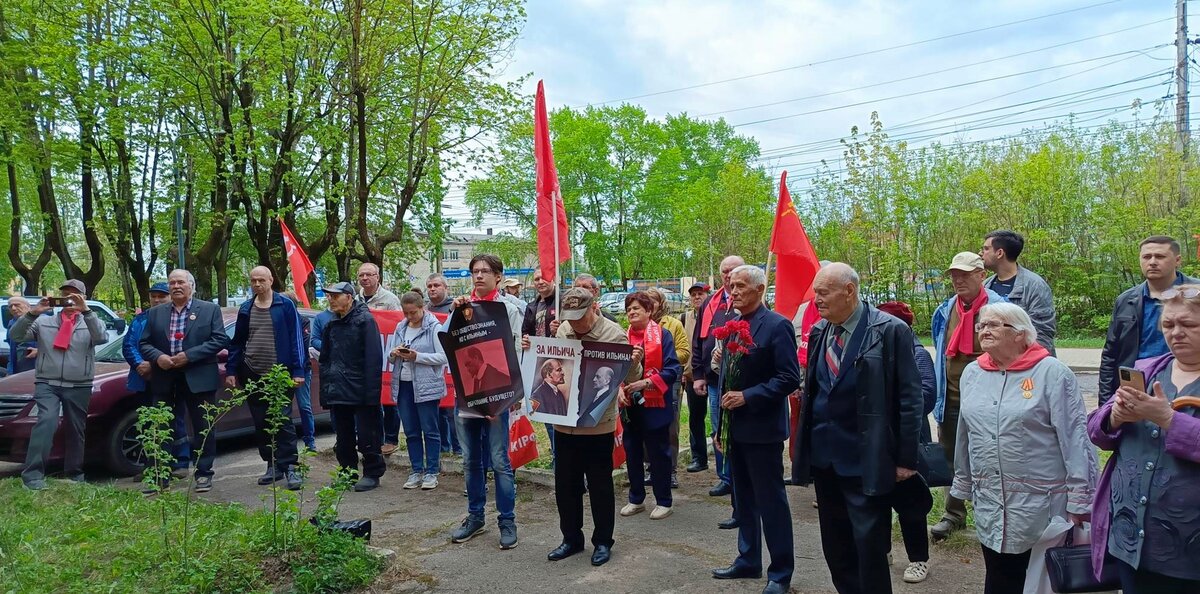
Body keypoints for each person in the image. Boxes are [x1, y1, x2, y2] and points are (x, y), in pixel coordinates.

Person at [793, 263, 923, 594]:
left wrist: (906, 458)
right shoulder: (822, 330)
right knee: (836, 548)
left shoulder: (889, 330)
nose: (816, 300)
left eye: (823, 292)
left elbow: (910, 397)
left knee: (869, 547)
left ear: (849, 291)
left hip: (867, 458)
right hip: (826, 460)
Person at [951, 302, 1096, 594]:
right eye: (982, 325)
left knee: (1041, 581)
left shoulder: (1053, 374)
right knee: (999, 578)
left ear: (1020, 334)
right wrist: (963, 483)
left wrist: (1081, 499)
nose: (984, 331)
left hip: (1042, 508)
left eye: (994, 325)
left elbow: (1076, 438)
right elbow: (964, 433)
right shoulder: (972, 374)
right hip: (991, 501)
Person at [1089, 284, 1200, 594]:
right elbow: (1096, 430)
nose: (1176, 332)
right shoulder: (1147, 370)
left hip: (1190, 553)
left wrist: (1167, 419)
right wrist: (1116, 417)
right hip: (1132, 541)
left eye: (1188, 324)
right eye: (1168, 324)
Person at [709, 265, 800, 594]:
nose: (733, 292)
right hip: (735, 430)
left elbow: (789, 377)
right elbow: (724, 379)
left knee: (770, 501)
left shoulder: (777, 326)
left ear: (760, 290)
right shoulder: (731, 326)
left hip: (762, 430)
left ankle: (780, 572)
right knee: (743, 499)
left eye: (741, 287)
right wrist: (720, 427)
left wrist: (748, 396)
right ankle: (748, 558)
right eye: (731, 286)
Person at [544, 287, 643, 567]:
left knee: (600, 485)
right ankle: (571, 539)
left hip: (598, 424)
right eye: (570, 317)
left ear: (593, 308)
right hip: (565, 424)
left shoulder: (614, 334)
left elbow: (630, 374)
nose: (575, 323)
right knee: (566, 485)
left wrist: (634, 363)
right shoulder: (563, 331)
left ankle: (602, 542)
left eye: (580, 316)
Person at [448, 254, 523, 550]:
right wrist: (454, 314)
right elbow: (450, 347)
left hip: (497, 398)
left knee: (500, 461)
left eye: (485, 271)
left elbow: (515, 352)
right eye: (475, 271)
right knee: (470, 461)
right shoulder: (460, 307)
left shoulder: (508, 309)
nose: (479, 276)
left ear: (498, 277)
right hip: (466, 396)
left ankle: (507, 520)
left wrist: (508, 398)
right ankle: (475, 517)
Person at [929, 251, 1005, 541]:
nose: (958, 279)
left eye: (964, 274)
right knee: (951, 454)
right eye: (954, 275)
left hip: (989, 397)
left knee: (991, 455)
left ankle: (994, 513)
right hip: (951, 396)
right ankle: (954, 514)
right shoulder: (946, 309)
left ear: (981, 275)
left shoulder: (999, 308)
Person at [140, 269, 231, 493]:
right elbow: (144, 344)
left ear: (191, 285)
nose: (176, 286)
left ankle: (203, 473)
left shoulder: (209, 310)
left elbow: (220, 339)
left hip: (198, 376)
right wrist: (158, 357)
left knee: (203, 426)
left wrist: (189, 356)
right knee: (160, 426)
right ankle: (160, 475)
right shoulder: (156, 313)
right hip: (165, 376)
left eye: (180, 282)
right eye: (172, 283)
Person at [11, 280, 107, 490]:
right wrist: (33, 312)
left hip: (80, 383)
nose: (69, 300)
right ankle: (33, 475)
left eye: (74, 296)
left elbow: (101, 337)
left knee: (76, 427)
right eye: (65, 295)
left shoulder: (90, 320)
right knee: (46, 421)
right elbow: (16, 336)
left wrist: (87, 312)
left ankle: (74, 473)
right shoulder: (44, 322)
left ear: (83, 297)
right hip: (48, 382)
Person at [225, 266, 306, 490]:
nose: (257, 284)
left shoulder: (285, 305)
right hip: (252, 372)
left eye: (261, 280)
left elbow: (296, 338)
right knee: (261, 421)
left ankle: (290, 466)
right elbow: (237, 342)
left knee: (282, 420)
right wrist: (232, 370)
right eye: (253, 281)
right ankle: (272, 465)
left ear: (271, 280)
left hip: (281, 374)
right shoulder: (246, 308)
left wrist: (298, 371)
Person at [1099, 235, 1200, 405]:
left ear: (1177, 260)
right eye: (1147, 257)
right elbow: (1111, 354)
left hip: (1188, 385)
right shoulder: (1126, 300)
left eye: (1160, 256)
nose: (1152, 262)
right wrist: (1104, 404)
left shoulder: (1196, 294)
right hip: (1137, 386)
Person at [876, 300, 935, 584]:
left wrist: (891, 407)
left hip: (908, 440)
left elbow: (926, 394)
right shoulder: (875, 349)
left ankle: (918, 560)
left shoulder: (917, 353)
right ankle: (883, 550)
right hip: (880, 442)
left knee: (910, 505)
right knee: (879, 499)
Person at [620, 291, 682, 520]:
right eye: (629, 309)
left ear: (649, 311)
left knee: (658, 454)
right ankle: (636, 499)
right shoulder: (622, 337)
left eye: (637, 308)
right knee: (632, 452)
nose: (632, 312)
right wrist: (619, 389)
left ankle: (664, 500)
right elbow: (613, 370)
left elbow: (673, 369)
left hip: (655, 404)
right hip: (629, 406)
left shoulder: (663, 336)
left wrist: (646, 383)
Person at [318, 281, 385, 492]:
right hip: (338, 390)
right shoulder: (330, 325)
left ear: (349, 297)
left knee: (368, 434)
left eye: (335, 296)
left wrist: (372, 394)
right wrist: (326, 391)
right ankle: (347, 472)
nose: (331, 300)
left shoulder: (365, 321)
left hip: (361, 390)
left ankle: (372, 473)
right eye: (329, 296)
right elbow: (325, 360)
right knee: (343, 436)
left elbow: (374, 359)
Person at [124, 283, 191, 476]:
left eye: (162, 296)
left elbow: (175, 347)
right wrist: (139, 364)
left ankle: (180, 463)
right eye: (153, 296)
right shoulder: (140, 320)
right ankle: (152, 465)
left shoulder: (176, 318)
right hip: (142, 379)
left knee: (174, 419)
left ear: (170, 297)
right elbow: (129, 345)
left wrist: (154, 364)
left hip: (168, 376)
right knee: (147, 421)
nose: (157, 300)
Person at [692, 255, 744, 503]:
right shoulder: (710, 303)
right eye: (724, 271)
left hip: (741, 381)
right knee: (718, 428)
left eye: (733, 270)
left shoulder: (749, 301)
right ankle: (725, 477)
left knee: (739, 429)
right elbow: (697, 340)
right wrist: (698, 374)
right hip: (714, 379)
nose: (728, 275)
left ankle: (741, 478)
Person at [388, 291, 447, 491]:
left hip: (426, 385)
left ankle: (432, 471)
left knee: (430, 430)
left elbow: (442, 357)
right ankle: (416, 470)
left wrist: (417, 356)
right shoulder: (400, 327)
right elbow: (389, 356)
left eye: (413, 312)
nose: (409, 317)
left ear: (423, 308)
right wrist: (394, 353)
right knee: (411, 431)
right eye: (405, 313)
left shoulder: (434, 327)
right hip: (404, 384)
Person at [980, 229, 1057, 354]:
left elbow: (1042, 333)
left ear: (999, 253)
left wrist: (1025, 365)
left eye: (986, 249)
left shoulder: (1034, 286)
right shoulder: (984, 287)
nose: (981, 253)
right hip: (995, 364)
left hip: (1026, 364)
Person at [358, 262, 401, 454]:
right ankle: (374, 438)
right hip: (362, 356)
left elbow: (399, 325)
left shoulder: (390, 299)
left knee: (388, 398)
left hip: (386, 353)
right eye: (361, 275)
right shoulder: (355, 299)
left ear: (378, 277)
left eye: (369, 274)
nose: (365, 278)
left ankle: (391, 438)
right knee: (369, 400)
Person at [522, 268, 559, 456]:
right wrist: (525, 340)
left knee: (560, 413)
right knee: (545, 411)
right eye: (536, 279)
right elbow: (525, 332)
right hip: (539, 363)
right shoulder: (532, 306)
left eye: (543, 277)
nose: (540, 282)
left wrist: (558, 331)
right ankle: (555, 454)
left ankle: (563, 456)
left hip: (560, 363)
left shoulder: (563, 302)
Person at [424, 274, 460, 456]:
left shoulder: (456, 308)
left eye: (436, 285)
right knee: (437, 409)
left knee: (451, 409)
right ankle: (443, 447)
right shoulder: (424, 310)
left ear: (446, 288)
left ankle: (458, 448)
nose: (432, 289)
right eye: (429, 286)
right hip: (432, 365)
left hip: (453, 363)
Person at [681, 282, 710, 474]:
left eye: (700, 294)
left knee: (718, 418)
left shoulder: (714, 314)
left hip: (714, 376)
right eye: (693, 295)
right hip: (693, 376)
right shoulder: (685, 318)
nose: (697, 297)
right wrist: (684, 373)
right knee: (696, 418)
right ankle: (699, 457)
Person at [283, 291, 317, 452]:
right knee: (283, 407)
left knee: (304, 406)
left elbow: (302, 347)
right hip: (282, 371)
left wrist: (300, 371)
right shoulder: (277, 322)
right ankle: (286, 444)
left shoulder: (303, 321)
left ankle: (310, 441)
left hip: (302, 370)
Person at [6, 299, 37, 375]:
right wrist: (10, 370)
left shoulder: (42, 320)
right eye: (10, 306)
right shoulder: (11, 323)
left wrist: (40, 350)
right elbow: (12, 349)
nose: (13, 308)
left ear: (28, 306)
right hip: (19, 366)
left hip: (38, 367)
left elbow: (58, 342)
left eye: (17, 305)